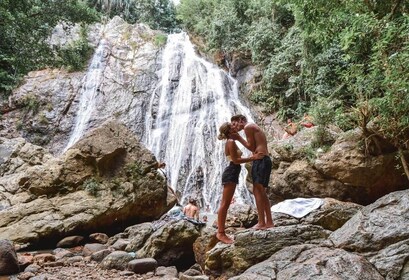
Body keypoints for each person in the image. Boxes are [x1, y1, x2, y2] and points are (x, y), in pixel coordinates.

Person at [216, 122, 264, 244]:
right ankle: (220, 233)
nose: (236, 128)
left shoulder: (231, 141)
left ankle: (221, 232)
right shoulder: (231, 142)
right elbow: (236, 160)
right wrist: (253, 158)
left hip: (233, 172)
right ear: (230, 132)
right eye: (233, 127)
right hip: (231, 172)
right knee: (225, 204)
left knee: (225, 203)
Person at [230, 114, 274, 230]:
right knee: (259, 190)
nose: (234, 127)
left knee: (258, 190)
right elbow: (254, 147)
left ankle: (262, 222)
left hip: (261, 160)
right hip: (263, 159)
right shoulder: (252, 127)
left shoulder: (248, 127)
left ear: (241, 120)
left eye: (235, 124)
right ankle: (268, 221)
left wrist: (238, 138)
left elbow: (250, 147)